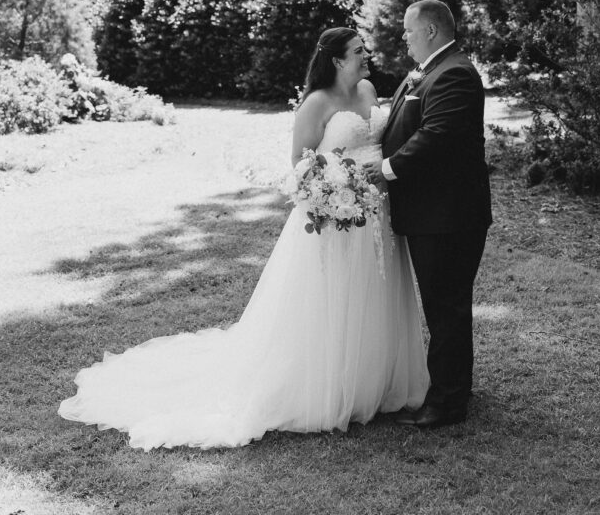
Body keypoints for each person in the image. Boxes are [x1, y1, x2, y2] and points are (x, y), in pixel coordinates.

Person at [58, 27, 428, 450]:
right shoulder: (317, 103)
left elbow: (377, 143)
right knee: (335, 299)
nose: (367, 55)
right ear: (338, 60)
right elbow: (300, 163)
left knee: (374, 294)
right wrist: (333, 192)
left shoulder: (368, 90)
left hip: (378, 211)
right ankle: (331, 386)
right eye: (359, 50)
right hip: (335, 218)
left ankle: (376, 381)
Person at [365, 0, 492, 429]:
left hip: (449, 215)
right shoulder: (428, 69)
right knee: (443, 304)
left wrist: (386, 169)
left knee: (446, 306)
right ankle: (454, 388)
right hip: (431, 211)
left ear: (431, 31)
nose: (404, 37)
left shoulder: (455, 73)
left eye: (409, 30)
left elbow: (436, 134)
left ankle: (448, 403)